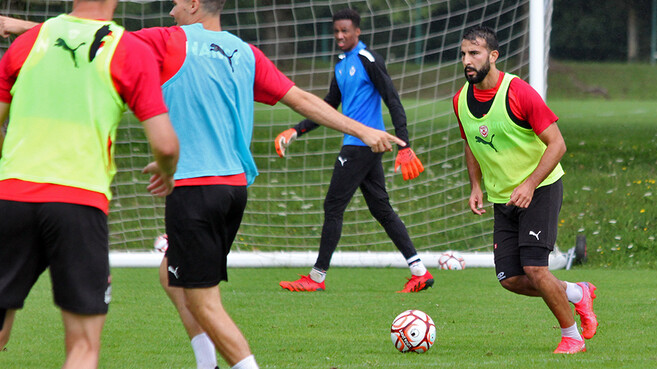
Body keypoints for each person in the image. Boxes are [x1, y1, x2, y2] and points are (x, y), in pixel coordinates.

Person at [0, 0, 404, 368]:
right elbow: (301, 100)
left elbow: (88, 33)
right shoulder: (246, 53)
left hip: (193, 187)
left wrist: (13, 24)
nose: (171, 9)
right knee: (170, 275)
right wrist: (363, 131)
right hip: (233, 191)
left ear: (194, 4)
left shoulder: (167, 41)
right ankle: (205, 363)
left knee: (202, 299)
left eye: (176, 2)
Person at [0, 0, 179, 367]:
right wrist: (167, 169)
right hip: (78, 203)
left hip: (11, 197)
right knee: (83, 346)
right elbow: (164, 144)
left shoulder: (30, 40)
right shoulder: (128, 48)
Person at [453, 26, 597, 354]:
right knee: (511, 279)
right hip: (502, 197)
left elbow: (557, 144)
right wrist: (475, 185)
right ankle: (577, 293)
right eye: (463, 54)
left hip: (541, 187)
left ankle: (572, 337)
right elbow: (471, 145)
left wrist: (530, 184)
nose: (467, 61)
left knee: (536, 268)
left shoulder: (518, 92)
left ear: (493, 56)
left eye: (474, 54)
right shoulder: (460, 99)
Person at [275, 8, 431, 294]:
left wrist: (405, 144)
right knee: (381, 209)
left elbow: (393, 100)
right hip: (361, 148)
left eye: (345, 31)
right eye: (336, 31)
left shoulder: (367, 60)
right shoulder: (341, 64)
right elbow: (327, 107)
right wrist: (296, 130)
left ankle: (317, 277)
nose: (339, 36)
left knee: (333, 207)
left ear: (357, 31)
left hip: (360, 147)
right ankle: (419, 270)